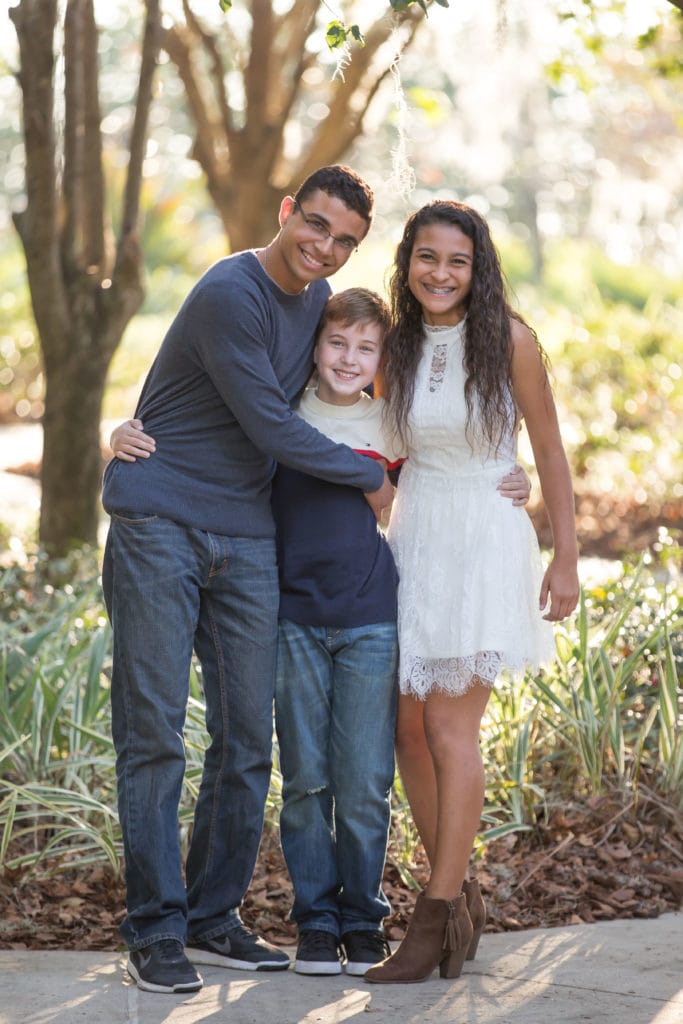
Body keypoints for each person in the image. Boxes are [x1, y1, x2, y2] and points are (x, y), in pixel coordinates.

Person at [110, 285, 532, 984]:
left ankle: (362, 922)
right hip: (293, 619)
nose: (348, 357)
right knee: (305, 782)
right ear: (312, 348)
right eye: (335, 343)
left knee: (365, 782)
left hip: (370, 617)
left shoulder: (391, 424)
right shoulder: (280, 414)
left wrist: (514, 478)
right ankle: (315, 924)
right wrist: (118, 430)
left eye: (365, 348)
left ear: (381, 360)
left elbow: (451, 463)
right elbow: (199, 423)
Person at [101, 165, 397, 994]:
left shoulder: (318, 305)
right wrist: (368, 477)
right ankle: (155, 928)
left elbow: (354, 380)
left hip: (248, 532)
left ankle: (209, 916)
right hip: (161, 520)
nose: (324, 247)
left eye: (343, 240)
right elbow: (267, 419)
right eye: (315, 225)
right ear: (285, 211)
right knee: (155, 733)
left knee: (246, 742)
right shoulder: (231, 289)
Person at [364, 200, 580, 985]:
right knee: (407, 731)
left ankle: (431, 921)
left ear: (477, 267)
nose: (440, 273)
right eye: (427, 257)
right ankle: (460, 897)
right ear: (407, 261)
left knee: (451, 727)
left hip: (484, 538)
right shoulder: (395, 344)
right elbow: (370, 440)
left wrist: (566, 558)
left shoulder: (510, 341)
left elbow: (549, 450)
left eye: (456, 261)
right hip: (417, 538)